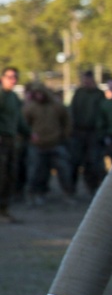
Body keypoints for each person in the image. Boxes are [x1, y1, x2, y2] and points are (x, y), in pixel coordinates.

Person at [22, 83, 74, 204]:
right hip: (37, 145)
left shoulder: (56, 106)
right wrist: (29, 136)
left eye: (41, 93)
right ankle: (36, 194)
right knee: (37, 172)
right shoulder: (30, 108)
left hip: (55, 143)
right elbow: (24, 124)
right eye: (36, 94)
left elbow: (67, 120)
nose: (39, 96)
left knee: (64, 170)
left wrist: (64, 135)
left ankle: (68, 193)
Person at [68, 70, 107, 197]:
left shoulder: (99, 94)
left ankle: (92, 187)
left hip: (93, 132)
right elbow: (72, 110)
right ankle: (71, 189)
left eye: (88, 81)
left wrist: (101, 131)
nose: (86, 83)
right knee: (74, 161)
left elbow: (102, 113)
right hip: (78, 131)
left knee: (93, 161)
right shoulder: (79, 93)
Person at [1, 67, 31, 223]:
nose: (13, 80)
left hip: (10, 140)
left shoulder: (13, 97)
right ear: (2, 78)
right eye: (9, 77)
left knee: (9, 176)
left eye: (15, 78)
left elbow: (19, 120)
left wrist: (29, 133)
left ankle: (4, 210)